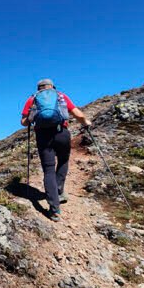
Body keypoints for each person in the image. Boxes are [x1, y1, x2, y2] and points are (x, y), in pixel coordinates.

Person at [21, 78, 91, 221]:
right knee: (64, 160)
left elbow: (23, 122)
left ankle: (55, 210)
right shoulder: (60, 96)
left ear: (38, 88)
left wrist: (31, 117)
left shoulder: (32, 99)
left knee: (48, 169)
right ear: (52, 87)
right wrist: (86, 122)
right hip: (61, 133)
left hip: (43, 136)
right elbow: (78, 114)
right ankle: (59, 191)